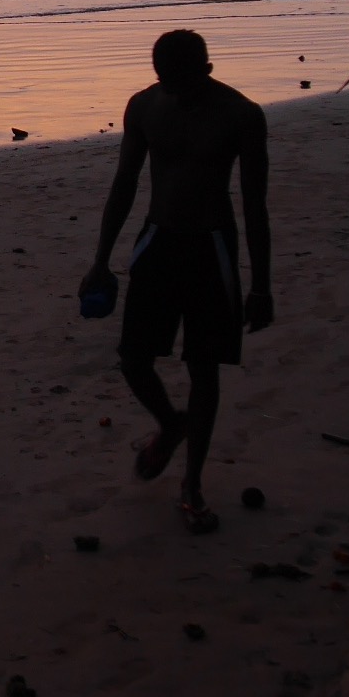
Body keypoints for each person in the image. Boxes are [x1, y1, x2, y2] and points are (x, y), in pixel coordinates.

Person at [79, 30, 272, 533]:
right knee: (133, 358)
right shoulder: (145, 106)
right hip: (158, 241)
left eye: (186, 83)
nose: (177, 93)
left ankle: (193, 484)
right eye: (167, 82)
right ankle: (170, 424)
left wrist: (261, 286)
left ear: (207, 71)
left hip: (212, 246)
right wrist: (101, 259)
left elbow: (255, 205)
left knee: (204, 368)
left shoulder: (241, 115)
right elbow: (124, 183)